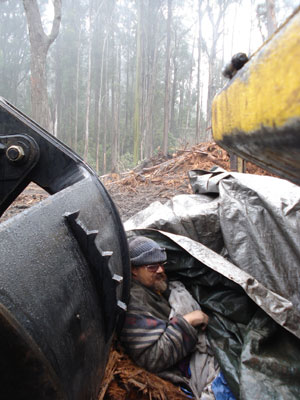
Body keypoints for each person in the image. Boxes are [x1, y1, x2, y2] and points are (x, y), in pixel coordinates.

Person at [120, 236, 219, 400]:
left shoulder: (152, 288)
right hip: (180, 371)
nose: (160, 270)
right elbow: (151, 358)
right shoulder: (135, 303)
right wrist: (188, 321)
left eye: (161, 265)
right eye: (152, 267)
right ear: (133, 270)